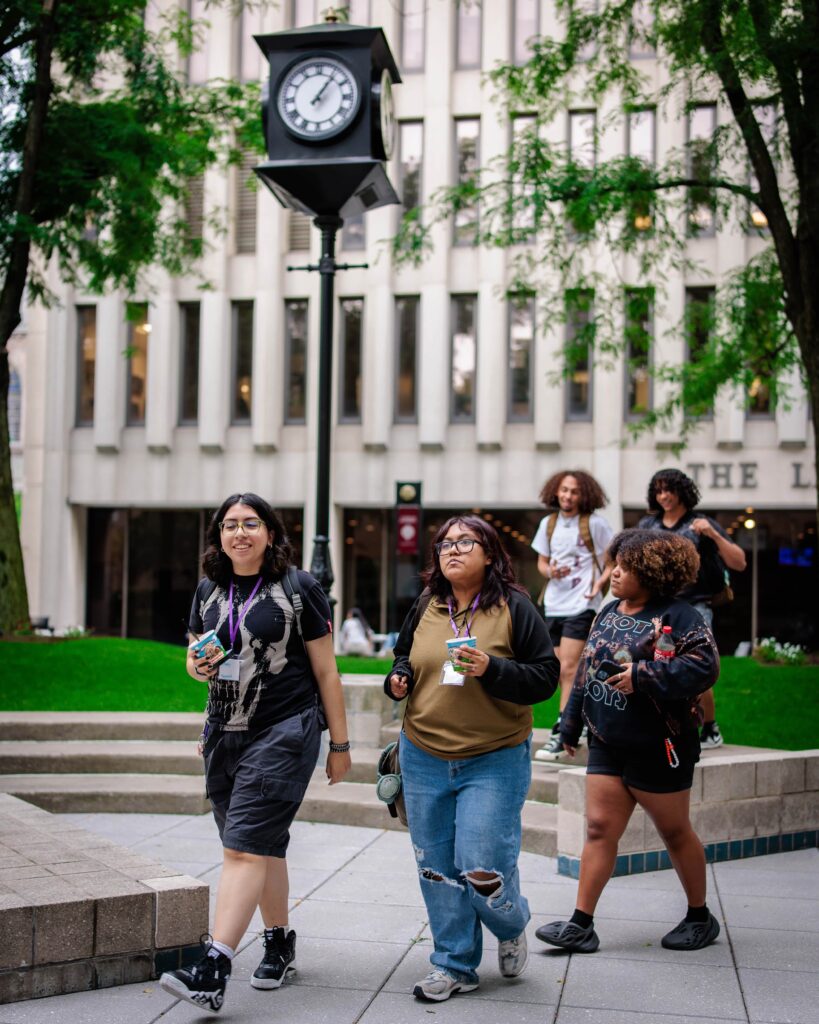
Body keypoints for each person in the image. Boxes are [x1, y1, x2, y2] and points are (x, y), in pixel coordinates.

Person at [159, 492, 352, 1014]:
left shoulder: (299, 587)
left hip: (285, 731)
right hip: (225, 731)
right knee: (260, 844)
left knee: (243, 847)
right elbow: (195, 658)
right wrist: (196, 667)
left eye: (250, 524)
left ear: (270, 532)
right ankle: (279, 941)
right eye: (229, 525)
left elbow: (326, 671)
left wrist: (339, 743)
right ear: (218, 535)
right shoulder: (207, 589)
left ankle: (213, 965)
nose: (238, 533)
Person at [385, 515, 559, 1003]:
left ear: (490, 553)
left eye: (466, 542)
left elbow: (546, 678)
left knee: (481, 864)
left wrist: (492, 668)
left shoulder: (515, 607)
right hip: (423, 755)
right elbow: (403, 658)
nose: (452, 549)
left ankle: (510, 921)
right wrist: (397, 679)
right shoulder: (427, 605)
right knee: (437, 866)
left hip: (494, 757)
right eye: (445, 543)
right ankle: (454, 963)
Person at [536, 528, 721, 955]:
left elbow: (704, 667)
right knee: (599, 829)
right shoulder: (608, 610)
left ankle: (699, 917)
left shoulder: (680, 616)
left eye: (626, 566)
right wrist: (568, 726)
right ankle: (581, 925)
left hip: (661, 742)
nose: (614, 572)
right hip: (607, 738)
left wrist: (641, 676)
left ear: (653, 573)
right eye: (615, 563)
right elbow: (586, 670)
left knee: (674, 831)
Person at [638, 468, 746, 748]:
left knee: (697, 664)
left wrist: (713, 535)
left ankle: (710, 727)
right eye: (658, 490)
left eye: (669, 490)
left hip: (696, 606)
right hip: (657, 607)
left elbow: (739, 562)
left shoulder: (700, 524)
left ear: (682, 491)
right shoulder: (649, 526)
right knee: (655, 663)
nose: (664, 496)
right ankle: (664, 725)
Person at [531, 470, 614, 761]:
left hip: (582, 605)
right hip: (554, 604)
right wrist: (550, 571)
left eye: (574, 491)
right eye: (564, 490)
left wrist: (599, 585)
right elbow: (541, 562)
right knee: (557, 670)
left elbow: (612, 561)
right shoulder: (548, 524)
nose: (568, 496)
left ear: (585, 495)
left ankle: (562, 731)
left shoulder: (595, 524)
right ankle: (577, 724)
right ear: (556, 491)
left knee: (569, 668)